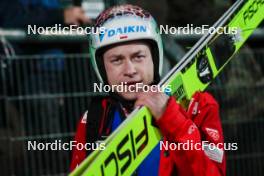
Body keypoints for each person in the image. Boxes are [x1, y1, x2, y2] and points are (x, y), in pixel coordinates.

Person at [70, 4, 226, 176]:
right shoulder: (95, 118)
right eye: (116, 60)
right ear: (101, 68)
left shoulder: (198, 105)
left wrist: (170, 118)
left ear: (154, 57)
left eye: (138, 57)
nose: (130, 70)